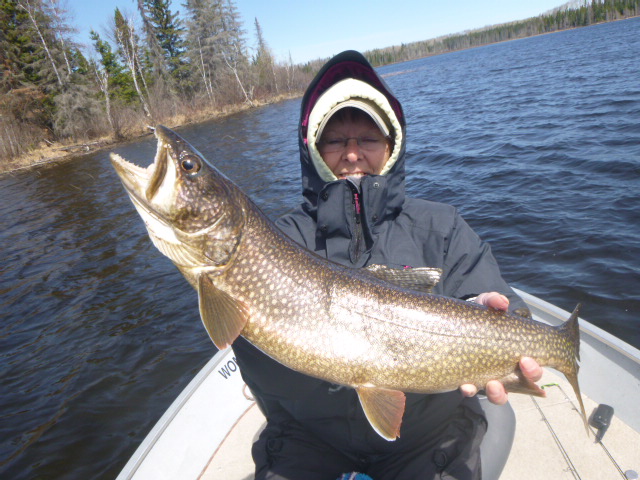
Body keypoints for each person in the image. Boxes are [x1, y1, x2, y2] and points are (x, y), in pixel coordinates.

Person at [232, 50, 542, 480]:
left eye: (368, 139)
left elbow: (498, 297)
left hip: (430, 436)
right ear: (314, 148)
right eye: (336, 139)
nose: (353, 154)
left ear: (392, 146)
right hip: (308, 438)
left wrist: (488, 305)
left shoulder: (441, 225)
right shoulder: (278, 238)